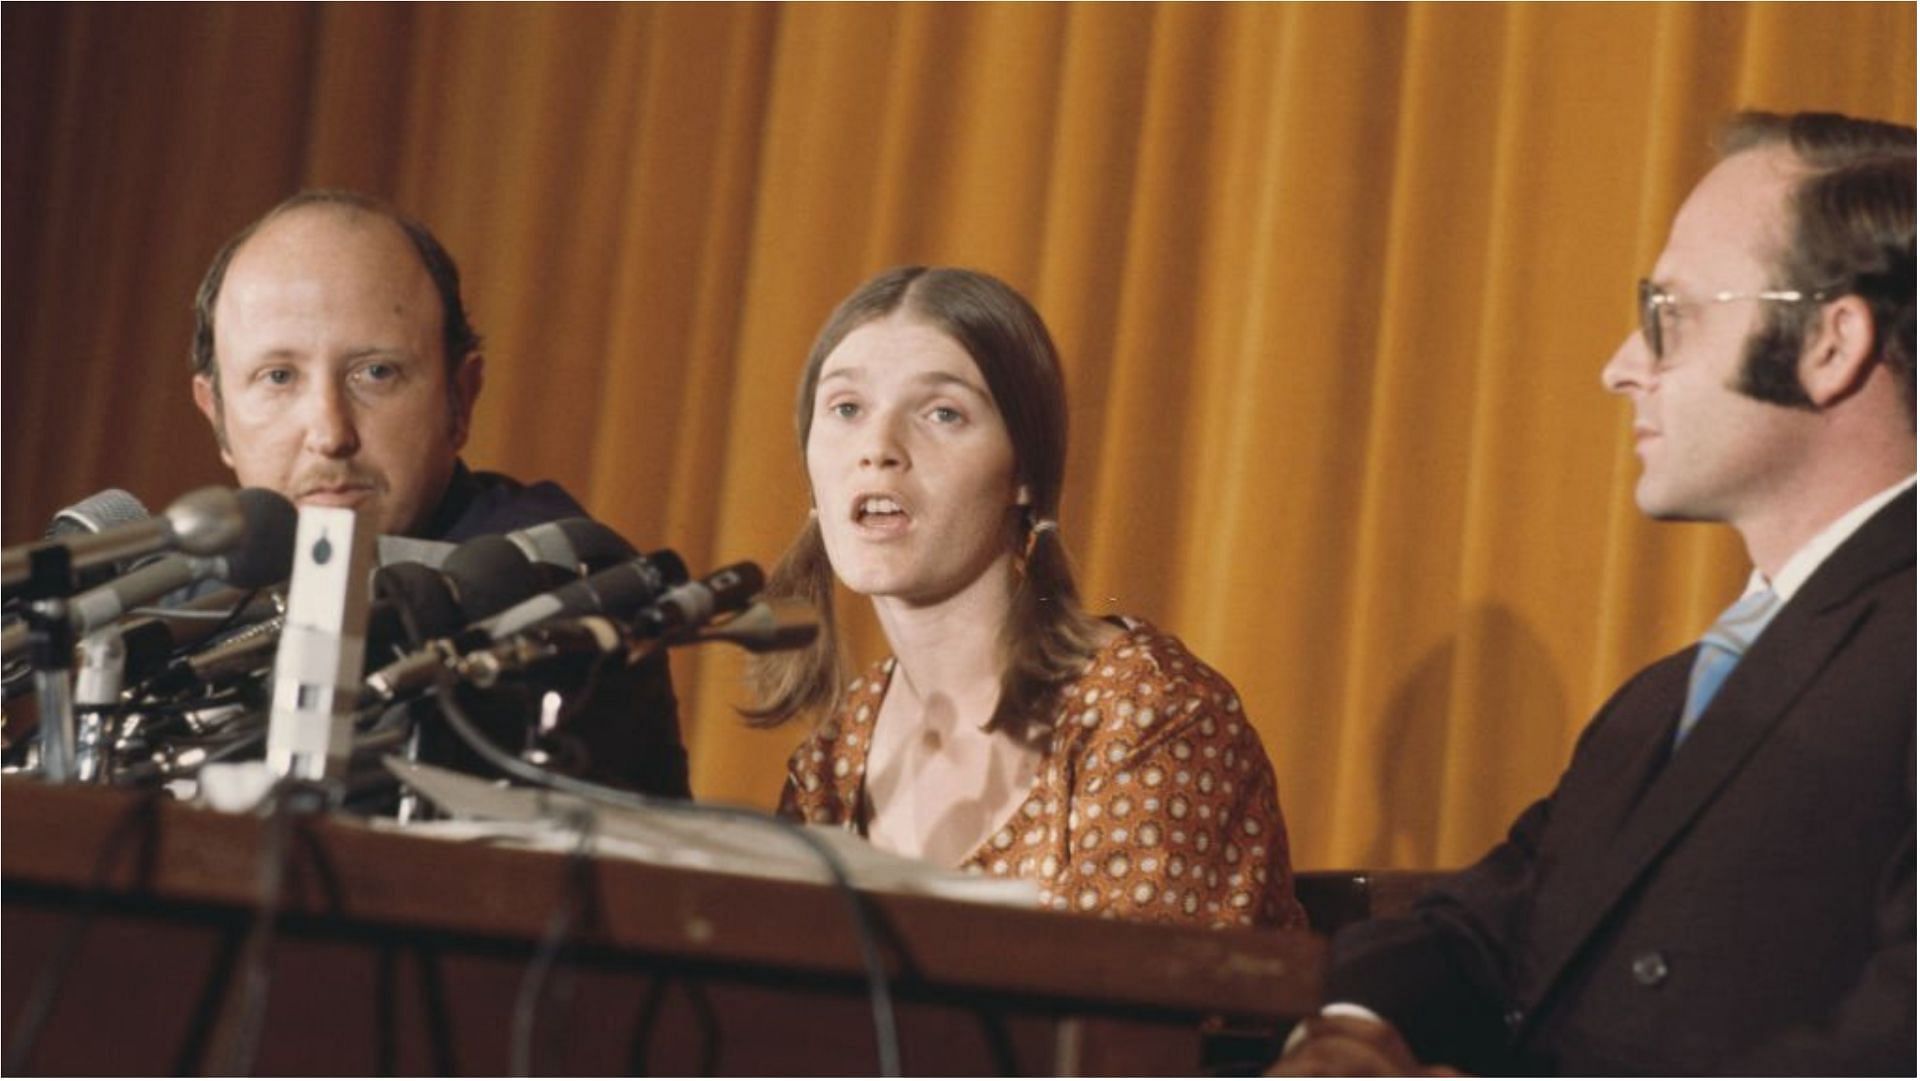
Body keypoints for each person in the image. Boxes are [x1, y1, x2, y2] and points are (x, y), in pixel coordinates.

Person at [1276, 111, 1914, 1075]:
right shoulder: (1662, 703)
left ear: (1831, 343)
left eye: (1672, 315)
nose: (1621, 367)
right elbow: (1473, 933)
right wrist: (1353, 1029)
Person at [751, 265, 1305, 930]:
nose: (877, 449)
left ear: (1024, 474)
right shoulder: (833, 761)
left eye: (942, 413)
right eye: (846, 408)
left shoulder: (1147, 715)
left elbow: (1128, 1018)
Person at [190, 190, 688, 798]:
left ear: (461, 397)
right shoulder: (180, 602)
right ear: (216, 415)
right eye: (278, 377)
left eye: (375, 373)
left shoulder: (561, 581)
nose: (329, 433)